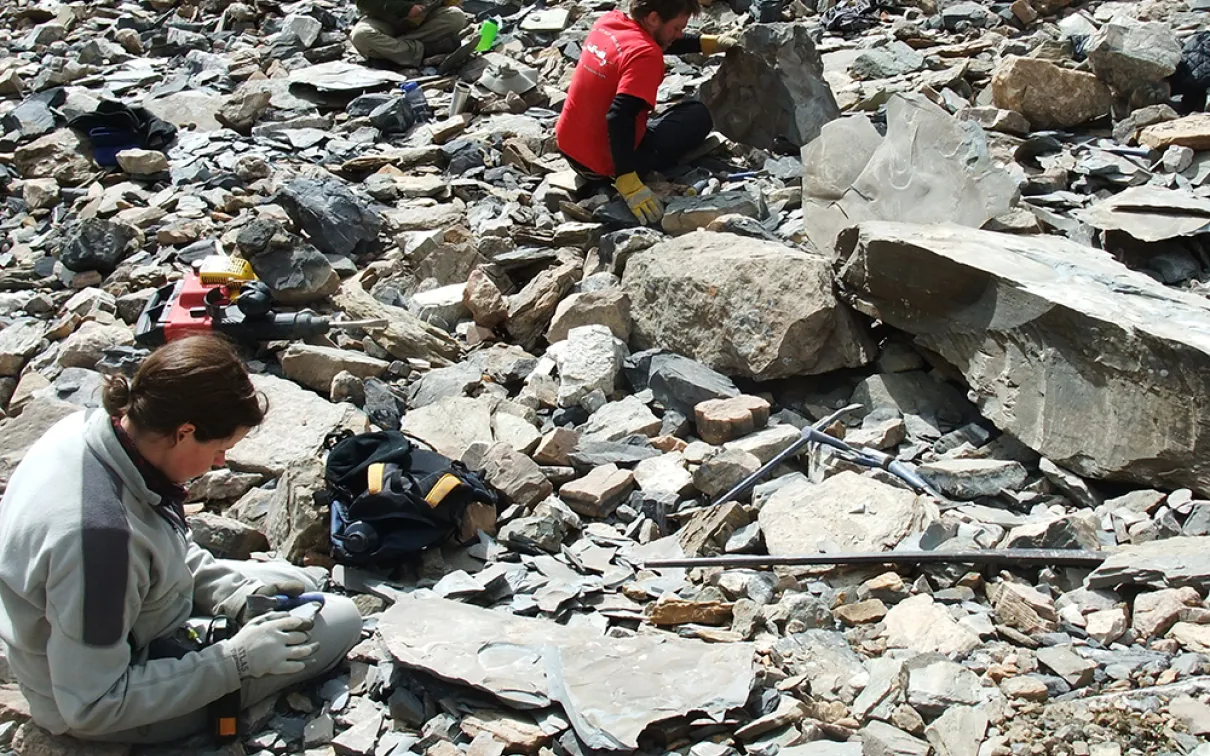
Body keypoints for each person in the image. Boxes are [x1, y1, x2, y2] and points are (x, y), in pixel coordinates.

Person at [0, 334, 362, 744]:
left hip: (117, 617)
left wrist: (235, 592)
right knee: (339, 619)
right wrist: (236, 660)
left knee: (296, 584)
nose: (221, 462)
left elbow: (158, 542)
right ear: (185, 432)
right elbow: (92, 704)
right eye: (221, 447)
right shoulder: (99, 541)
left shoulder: (93, 432)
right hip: (92, 699)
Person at [555, 0, 738, 225]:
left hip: (568, 147)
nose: (679, 35)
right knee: (698, 115)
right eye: (677, 28)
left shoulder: (609, 22)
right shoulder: (647, 56)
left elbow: (657, 39)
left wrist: (708, 43)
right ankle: (619, 173)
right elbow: (618, 116)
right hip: (601, 164)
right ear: (653, 18)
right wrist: (627, 180)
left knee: (639, 104)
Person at [350, 0, 477, 71]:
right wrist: (405, 8)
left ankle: (391, 53)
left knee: (456, 17)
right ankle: (426, 50)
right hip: (384, 21)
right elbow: (363, 2)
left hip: (421, 24)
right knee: (360, 36)